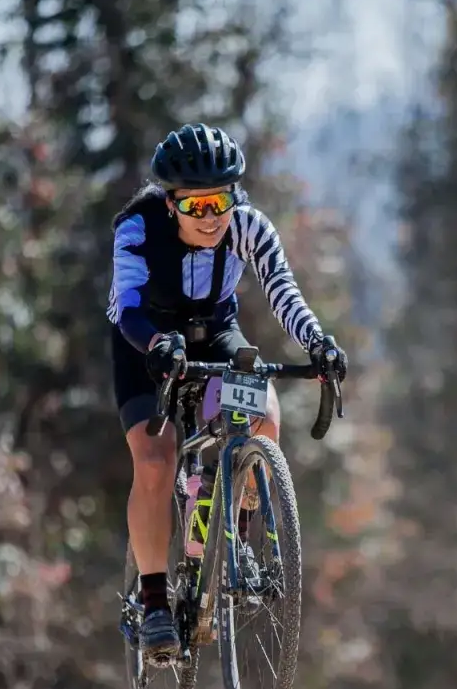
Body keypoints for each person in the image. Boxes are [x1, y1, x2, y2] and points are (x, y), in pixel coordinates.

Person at [106, 122, 348, 660]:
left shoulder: (248, 227)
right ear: (171, 205)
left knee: (262, 413)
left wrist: (318, 342)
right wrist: (156, 347)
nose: (211, 218)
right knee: (154, 460)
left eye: (219, 202)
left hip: (214, 331)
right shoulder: (136, 230)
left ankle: (233, 532)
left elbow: (281, 288)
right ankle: (154, 603)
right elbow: (127, 305)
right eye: (195, 208)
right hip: (146, 338)